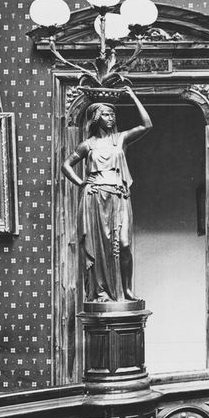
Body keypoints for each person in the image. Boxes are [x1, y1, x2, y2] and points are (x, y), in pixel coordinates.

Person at [62, 85, 152, 303]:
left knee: (124, 245)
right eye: (106, 114)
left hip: (119, 196)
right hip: (95, 197)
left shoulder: (120, 139)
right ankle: (101, 292)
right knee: (100, 248)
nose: (111, 117)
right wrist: (82, 182)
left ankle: (127, 290)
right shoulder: (87, 145)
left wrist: (132, 96)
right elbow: (66, 165)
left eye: (113, 114)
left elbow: (146, 125)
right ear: (96, 117)